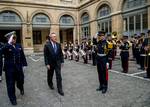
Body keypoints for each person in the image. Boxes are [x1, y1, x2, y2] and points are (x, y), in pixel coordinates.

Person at [2, 31, 27, 105]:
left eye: (15, 37)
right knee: (10, 84)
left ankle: (20, 87)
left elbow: (22, 56)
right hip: (9, 69)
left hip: (18, 68)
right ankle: (12, 98)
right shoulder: (5, 46)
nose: (14, 39)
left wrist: (24, 65)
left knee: (20, 81)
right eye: (13, 38)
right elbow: (1, 51)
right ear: (8, 39)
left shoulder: (18, 45)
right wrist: (8, 44)